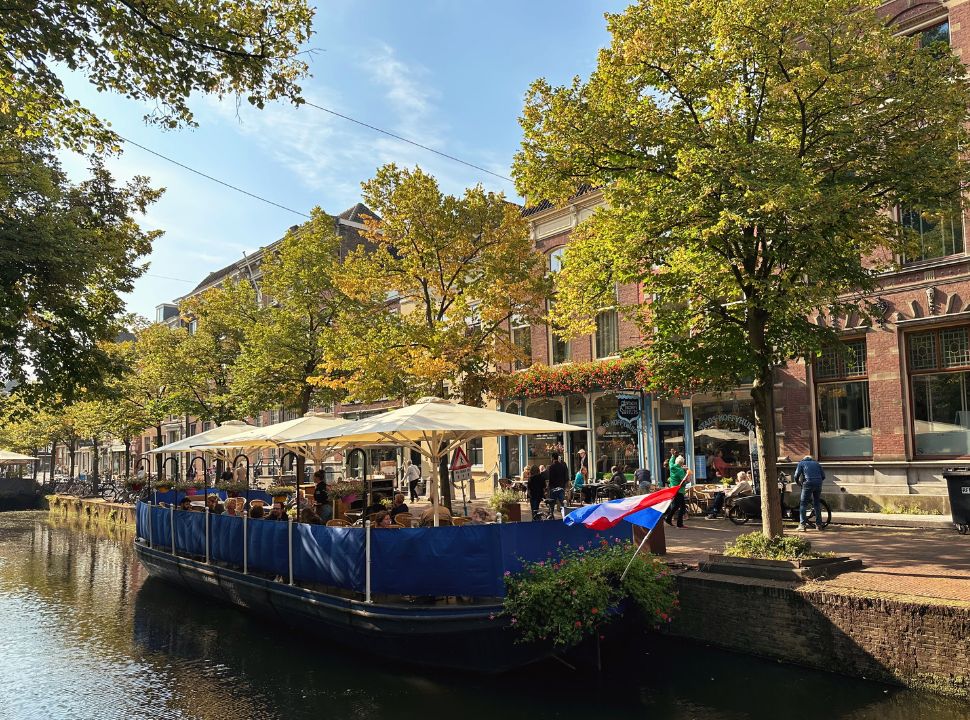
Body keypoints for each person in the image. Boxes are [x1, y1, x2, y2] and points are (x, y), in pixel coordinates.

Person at [793, 455, 826, 532]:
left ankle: (802, 525)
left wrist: (798, 483)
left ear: (803, 459)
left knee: (803, 504)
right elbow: (823, 476)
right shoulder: (817, 463)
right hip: (818, 483)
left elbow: (796, 475)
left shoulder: (801, 463)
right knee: (817, 503)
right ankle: (819, 525)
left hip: (808, 483)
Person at [665, 455, 688, 528]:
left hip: (673, 489)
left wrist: (672, 455)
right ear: (681, 463)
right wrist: (686, 472)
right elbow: (683, 481)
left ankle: (668, 519)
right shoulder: (680, 470)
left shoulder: (672, 467)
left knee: (676, 506)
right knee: (682, 507)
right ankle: (679, 524)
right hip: (679, 491)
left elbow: (670, 462)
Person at [546, 454, 569, 519]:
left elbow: (550, 478)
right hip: (561, 486)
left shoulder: (551, 467)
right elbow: (566, 477)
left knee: (552, 502)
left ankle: (551, 514)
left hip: (553, 487)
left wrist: (549, 487)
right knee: (562, 501)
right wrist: (564, 485)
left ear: (553, 458)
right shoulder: (563, 466)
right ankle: (566, 514)